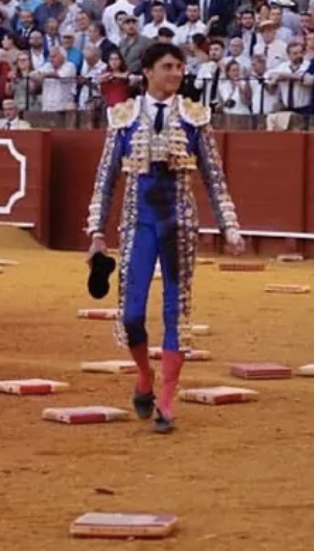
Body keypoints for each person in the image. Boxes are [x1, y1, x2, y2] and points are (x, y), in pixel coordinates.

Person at [84, 42, 247, 435]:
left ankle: (168, 402)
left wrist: (229, 225)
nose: (177, 73)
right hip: (137, 223)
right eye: (169, 67)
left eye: (179, 67)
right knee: (131, 314)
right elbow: (105, 181)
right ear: (148, 72)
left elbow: (214, 177)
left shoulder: (195, 117)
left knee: (176, 311)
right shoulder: (122, 117)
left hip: (179, 224)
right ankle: (144, 377)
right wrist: (95, 232)